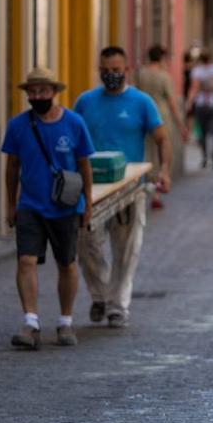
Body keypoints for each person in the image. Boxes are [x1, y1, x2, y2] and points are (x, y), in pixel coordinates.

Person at [74, 47, 172, 328]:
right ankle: (101, 295)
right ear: (99, 70)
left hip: (131, 187)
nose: (111, 75)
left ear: (126, 70)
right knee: (86, 243)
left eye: (116, 70)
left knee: (127, 248)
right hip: (92, 189)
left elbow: (162, 138)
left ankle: (117, 306)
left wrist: (164, 169)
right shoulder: (85, 102)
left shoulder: (142, 102)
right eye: (105, 70)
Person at [1, 68, 95, 350]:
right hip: (30, 204)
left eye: (43, 91)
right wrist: (11, 203)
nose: (38, 96)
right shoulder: (18, 126)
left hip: (65, 207)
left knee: (66, 264)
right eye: (33, 91)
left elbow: (84, 166)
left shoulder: (75, 123)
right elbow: (12, 166)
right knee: (26, 261)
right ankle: (31, 322)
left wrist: (87, 204)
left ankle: (66, 321)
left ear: (54, 92)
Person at [135, 45, 189, 209]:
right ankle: (156, 193)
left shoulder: (140, 74)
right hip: (161, 116)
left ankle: (142, 188)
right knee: (161, 154)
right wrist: (181, 125)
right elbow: (172, 103)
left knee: (146, 152)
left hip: (142, 116)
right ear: (162, 58)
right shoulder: (164, 76)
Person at [186, 49, 213, 169]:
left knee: (203, 132)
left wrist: (189, 103)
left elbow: (194, 88)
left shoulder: (197, 71)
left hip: (202, 104)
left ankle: (205, 156)